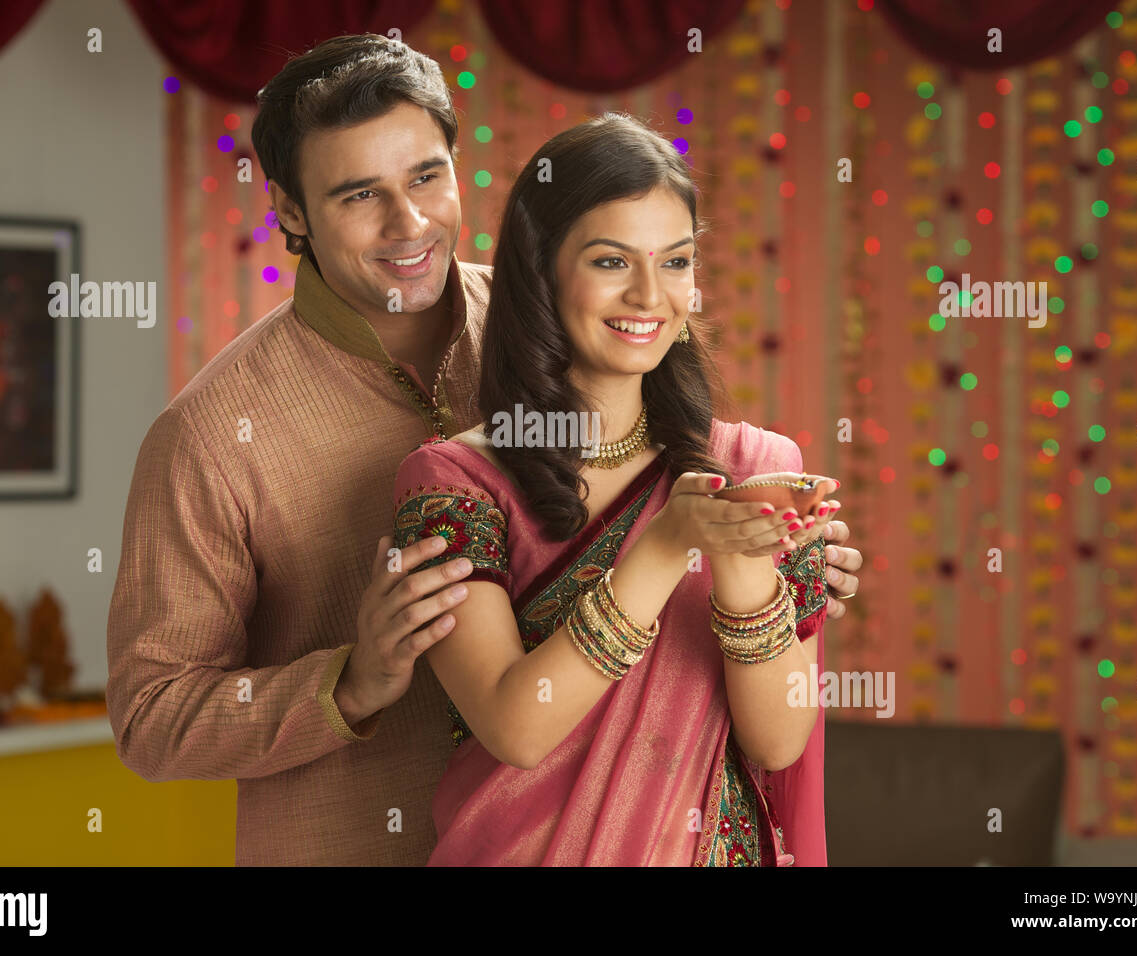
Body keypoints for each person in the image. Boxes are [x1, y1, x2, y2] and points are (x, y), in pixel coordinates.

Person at [106, 34, 862, 866]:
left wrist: (778, 567)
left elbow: (691, 491)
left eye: (427, 177)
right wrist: (348, 684)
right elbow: (151, 719)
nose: (409, 222)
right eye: (361, 195)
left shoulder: (571, 316)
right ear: (289, 210)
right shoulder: (212, 434)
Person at [393, 113, 834, 865]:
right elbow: (516, 726)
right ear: (540, 274)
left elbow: (780, 738)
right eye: (609, 261)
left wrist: (737, 553)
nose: (649, 296)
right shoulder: (454, 483)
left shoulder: (753, 464)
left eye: (676, 262)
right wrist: (666, 545)